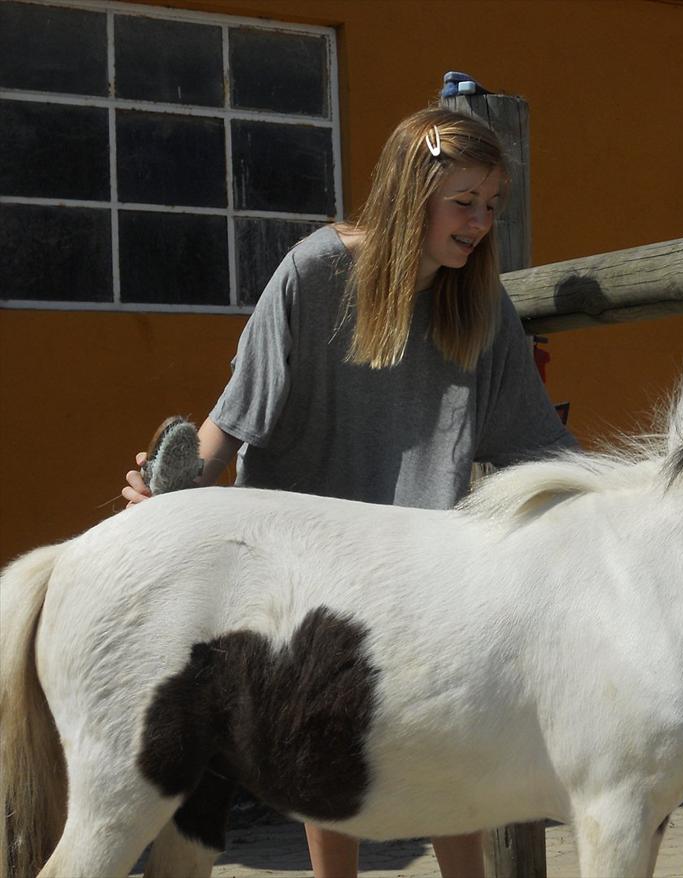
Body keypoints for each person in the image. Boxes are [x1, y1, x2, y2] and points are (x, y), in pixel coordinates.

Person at [123, 105, 575, 878]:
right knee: (330, 762)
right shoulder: (312, 275)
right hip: (307, 584)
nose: (479, 223)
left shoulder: (481, 309)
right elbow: (231, 423)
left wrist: (633, 502)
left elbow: (547, 450)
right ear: (413, 191)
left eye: (492, 206)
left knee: (450, 765)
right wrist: (174, 493)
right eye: (464, 202)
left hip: (423, 589)